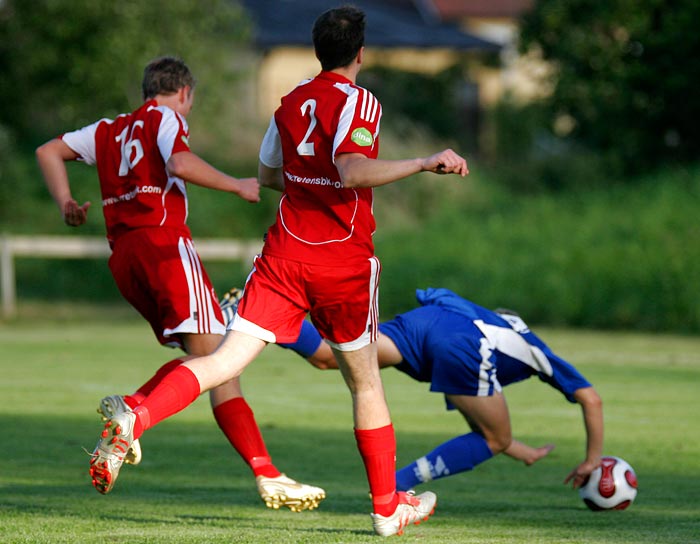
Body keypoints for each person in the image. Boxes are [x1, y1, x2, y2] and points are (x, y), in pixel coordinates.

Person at [86, 7, 468, 537]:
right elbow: (352, 170)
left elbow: (269, 175)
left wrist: (308, 188)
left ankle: (137, 416)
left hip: (284, 256)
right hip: (342, 262)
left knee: (224, 361)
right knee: (364, 383)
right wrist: (424, 161)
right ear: (361, 53)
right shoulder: (359, 100)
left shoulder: (290, 103)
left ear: (317, 50)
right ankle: (386, 508)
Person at [35, 56, 325, 512]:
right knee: (219, 365)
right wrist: (236, 185)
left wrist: (67, 201)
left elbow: (47, 151)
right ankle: (136, 412)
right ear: (185, 93)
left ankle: (264, 470)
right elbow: (182, 162)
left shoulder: (108, 129)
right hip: (166, 247)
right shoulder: (166, 117)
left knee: (209, 361)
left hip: (126, 258)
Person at [275, 287, 604, 492]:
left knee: (329, 358)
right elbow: (591, 399)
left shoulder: (484, 318)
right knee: (496, 437)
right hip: (464, 346)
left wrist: (524, 452)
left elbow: (477, 415)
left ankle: (266, 314)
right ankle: (395, 486)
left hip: (430, 320)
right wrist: (592, 459)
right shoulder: (533, 348)